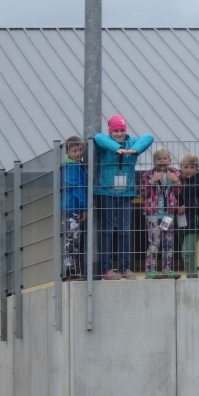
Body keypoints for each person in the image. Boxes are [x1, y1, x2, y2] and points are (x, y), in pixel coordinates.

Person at [93, 114, 154, 280]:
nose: (119, 133)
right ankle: (106, 268)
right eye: (115, 131)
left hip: (125, 194)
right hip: (106, 192)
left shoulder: (132, 142)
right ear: (110, 131)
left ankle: (125, 267)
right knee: (106, 231)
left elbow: (148, 137)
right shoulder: (104, 143)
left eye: (121, 130)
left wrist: (134, 150)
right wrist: (115, 148)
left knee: (124, 231)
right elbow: (97, 137)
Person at [140, 148, 181, 278]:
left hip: (168, 214)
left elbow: (179, 192)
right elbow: (143, 193)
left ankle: (167, 269)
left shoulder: (175, 173)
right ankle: (150, 270)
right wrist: (151, 182)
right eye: (159, 159)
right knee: (154, 241)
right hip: (153, 214)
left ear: (170, 160)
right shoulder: (147, 175)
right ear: (154, 162)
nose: (162, 161)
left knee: (168, 242)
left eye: (165, 159)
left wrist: (176, 181)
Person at [177, 152, 199, 279]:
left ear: (197, 168)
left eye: (192, 167)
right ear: (181, 167)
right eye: (186, 167)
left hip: (196, 222)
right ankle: (192, 275)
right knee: (184, 252)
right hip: (182, 222)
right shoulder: (179, 181)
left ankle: (192, 278)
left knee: (187, 251)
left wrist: (187, 205)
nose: (189, 170)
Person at [61, 136, 87, 279]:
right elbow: (77, 187)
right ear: (68, 152)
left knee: (73, 239)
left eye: (80, 150)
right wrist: (85, 207)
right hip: (73, 208)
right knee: (72, 239)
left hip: (72, 207)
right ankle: (69, 270)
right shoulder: (72, 167)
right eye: (74, 151)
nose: (78, 153)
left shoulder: (75, 166)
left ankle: (71, 268)